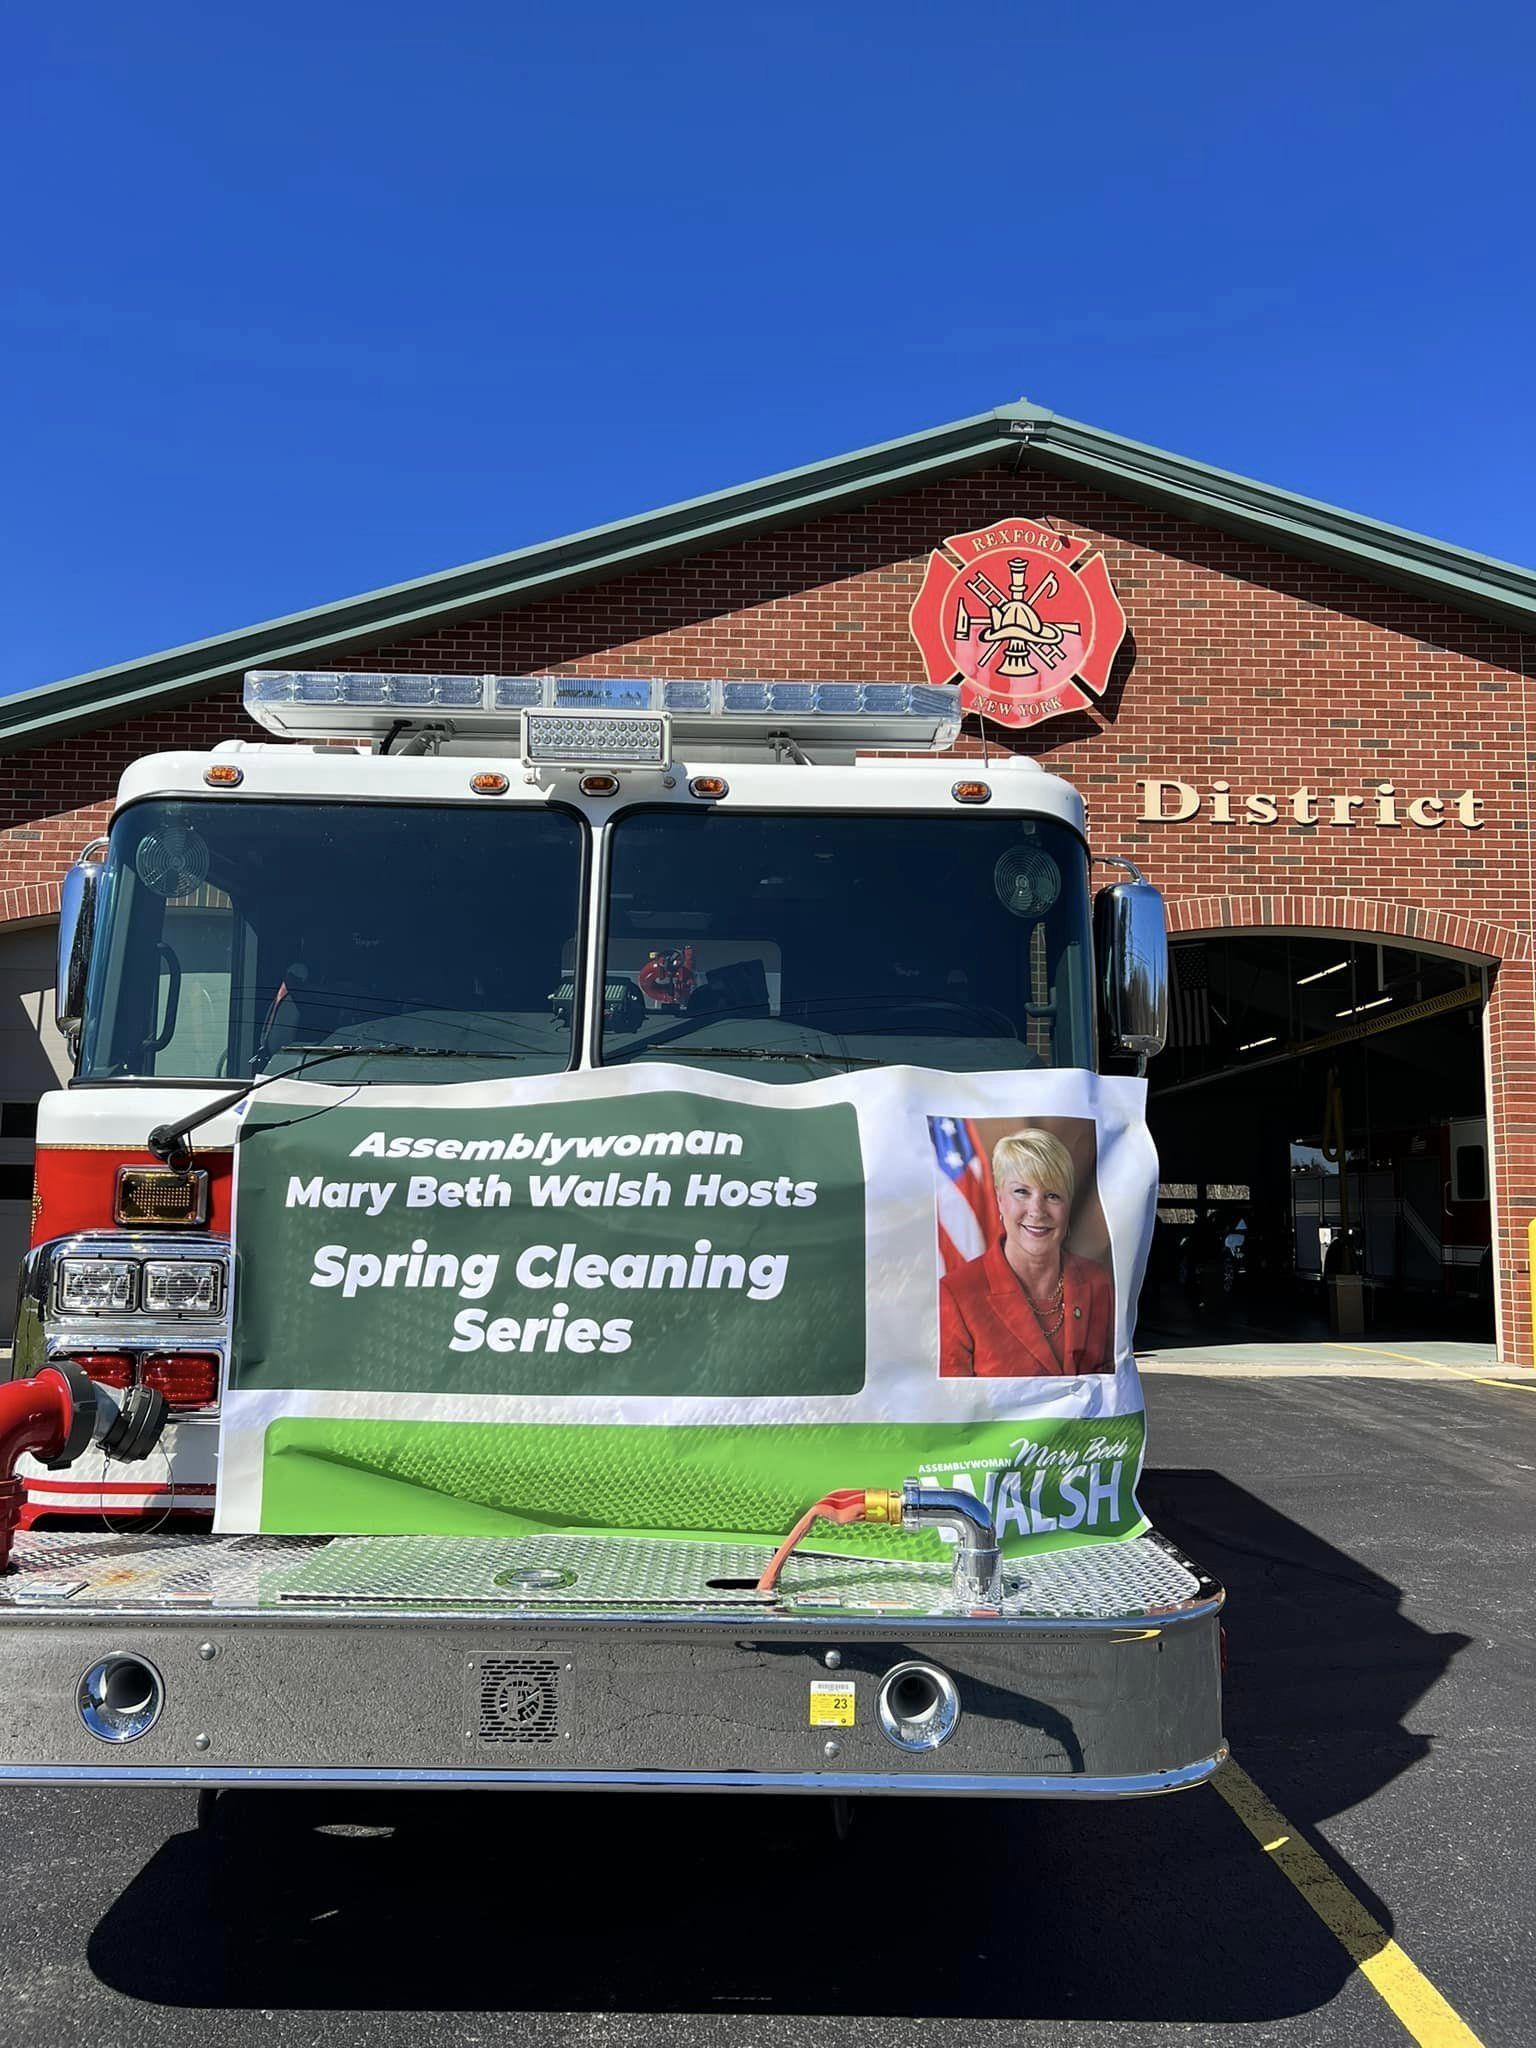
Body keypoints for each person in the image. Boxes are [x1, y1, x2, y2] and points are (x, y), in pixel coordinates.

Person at [939, 1128, 1113, 1377]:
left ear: (1068, 1205)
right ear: (999, 1199)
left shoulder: (1097, 1283)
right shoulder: (957, 1294)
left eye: (1052, 1195)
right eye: (1022, 1192)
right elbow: (952, 1398)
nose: (1037, 1210)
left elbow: (1111, 1386)